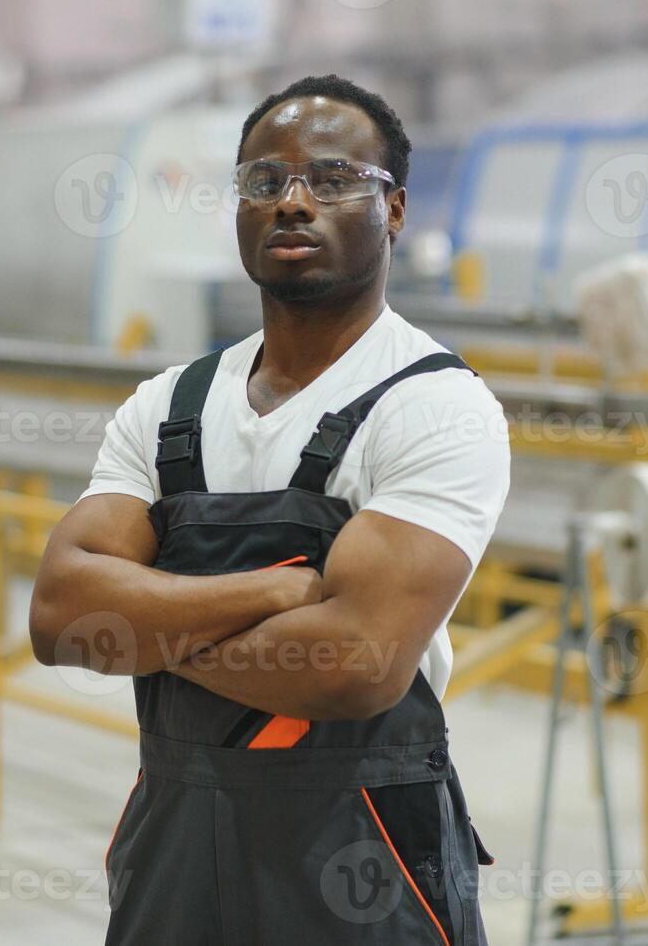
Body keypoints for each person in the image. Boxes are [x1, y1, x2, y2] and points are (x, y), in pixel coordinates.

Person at [30, 74, 511, 945]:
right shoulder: (169, 404)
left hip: (364, 853)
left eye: (332, 181)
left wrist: (151, 624)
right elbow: (61, 617)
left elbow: (353, 665)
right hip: (174, 841)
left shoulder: (433, 406)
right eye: (263, 181)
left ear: (394, 210)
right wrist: (274, 595)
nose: (293, 201)